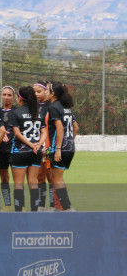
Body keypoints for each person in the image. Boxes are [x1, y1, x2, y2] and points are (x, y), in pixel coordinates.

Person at [8, 86, 46, 212]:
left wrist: (30, 145)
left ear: (20, 98)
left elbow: (17, 134)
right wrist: (38, 145)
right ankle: (34, 211)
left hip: (20, 151)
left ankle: (19, 212)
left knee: (18, 183)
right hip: (36, 152)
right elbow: (44, 132)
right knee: (33, 182)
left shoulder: (16, 113)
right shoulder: (38, 112)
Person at [46, 81, 79, 211]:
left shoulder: (53, 107)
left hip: (59, 147)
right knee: (58, 177)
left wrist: (59, 148)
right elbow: (76, 127)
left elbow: (59, 128)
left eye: (47, 90)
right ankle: (64, 206)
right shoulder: (66, 107)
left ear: (53, 94)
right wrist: (69, 141)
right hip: (70, 147)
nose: (45, 92)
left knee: (57, 178)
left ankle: (67, 208)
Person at [0, 86, 16, 211]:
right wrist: (0, 135)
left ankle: (20, 204)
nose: (6, 97)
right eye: (4, 94)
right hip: (1, 150)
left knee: (17, 178)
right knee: (4, 178)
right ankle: (7, 204)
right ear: (1, 95)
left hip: (14, 149)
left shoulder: (17, 111)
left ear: (13, 97)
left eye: (9, 95)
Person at [33, 80, 52, 210]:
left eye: (38, 91)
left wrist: (48, 146)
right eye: (34, 92)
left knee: (51, 177)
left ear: (46, 91)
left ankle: (52, 204)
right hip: (36, 146)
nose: (36, 94)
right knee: (40, 177)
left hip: (49, 146)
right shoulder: (31, 107)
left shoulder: (51, 107)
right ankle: (41, 205)